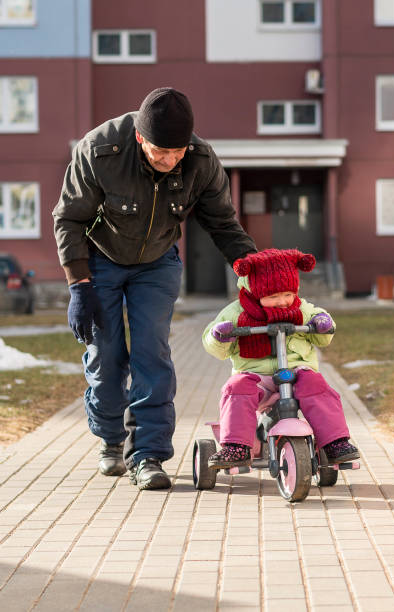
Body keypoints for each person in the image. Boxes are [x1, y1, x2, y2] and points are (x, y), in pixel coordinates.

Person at [53, 87, 257, 490]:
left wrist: (253, 269)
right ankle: (111, 438)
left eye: (177, 152)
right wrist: (79, 285)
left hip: (157, 262)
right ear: (141, 139)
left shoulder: (200, 159)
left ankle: (148, 455)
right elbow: (69, 219)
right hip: (100, 261)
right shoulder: (100, 149)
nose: (170, 161)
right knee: (106, 359)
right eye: (161, 152)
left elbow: (222, 223)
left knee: (152, 354)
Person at [202, 248, 359, 468]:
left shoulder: (302, 309)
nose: (283, 301)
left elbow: (322, 334)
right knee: (235, 388)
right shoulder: (236, 312)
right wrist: (219, 335)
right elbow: (215, 347)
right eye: (273, 296)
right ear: (256, 292)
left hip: (296, 373)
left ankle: (335, 442)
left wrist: (324, 323)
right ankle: (236, 446)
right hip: (257, 376)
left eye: (288, 294)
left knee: (317, 385)